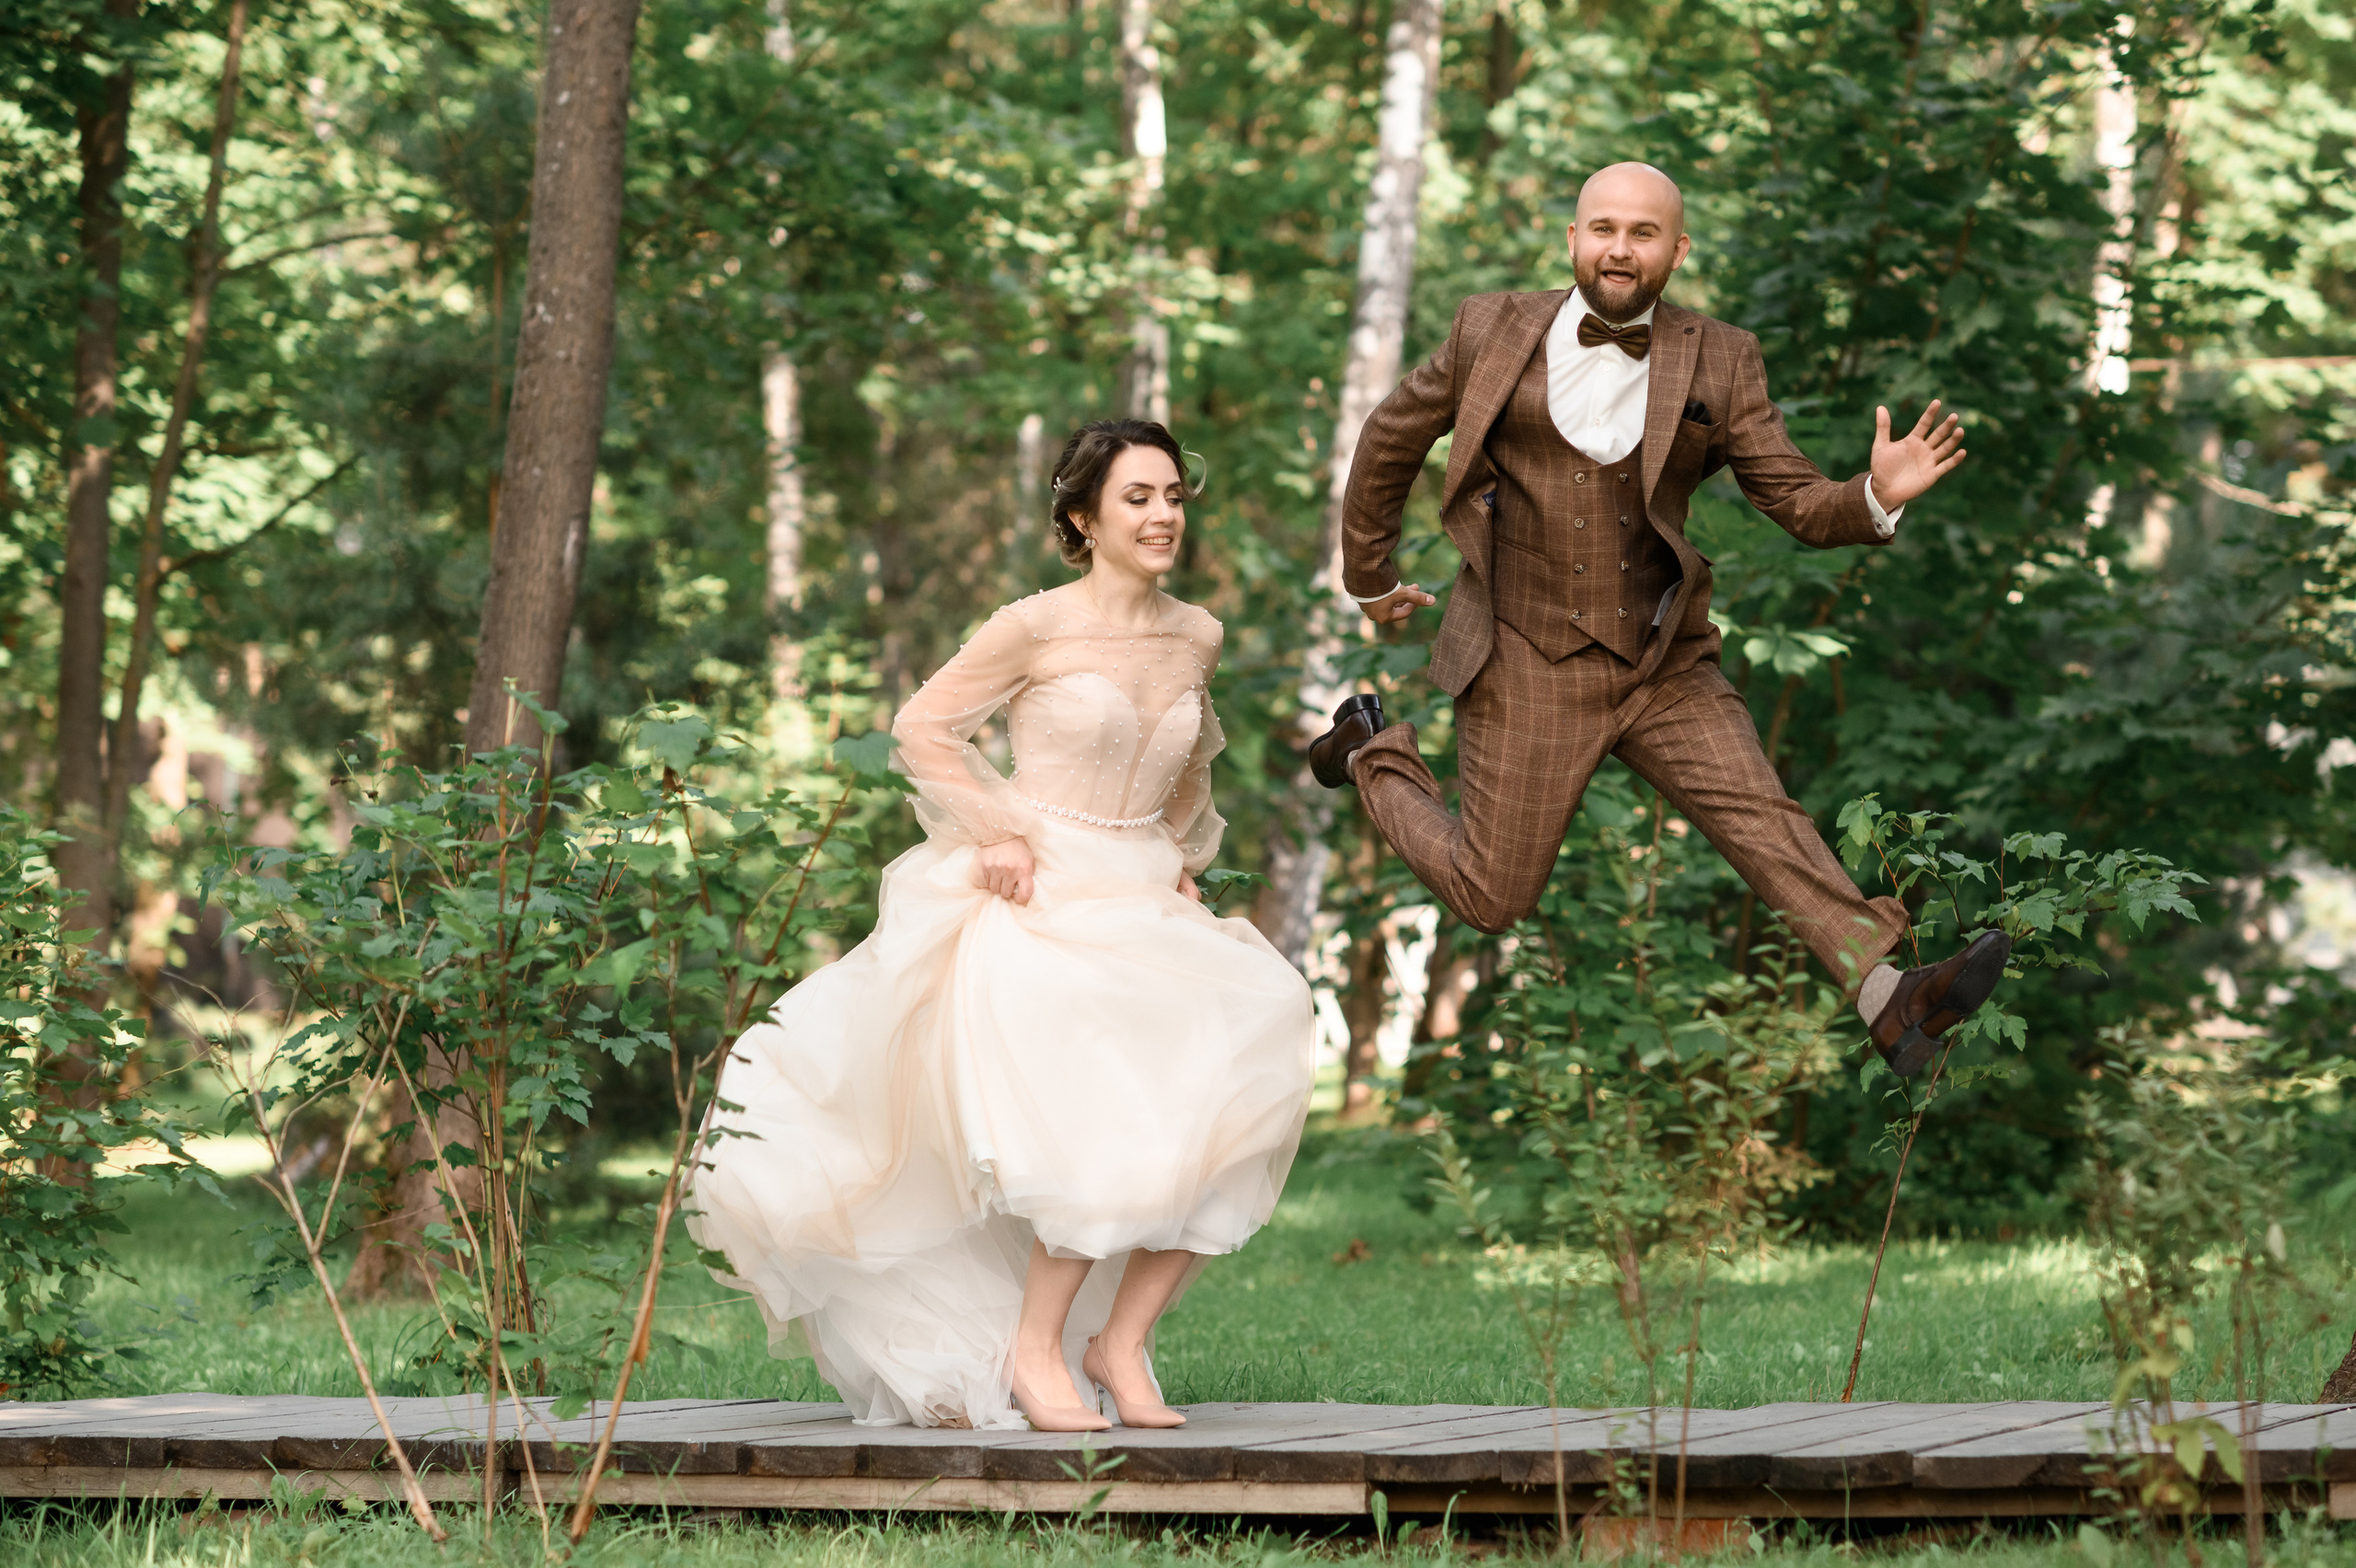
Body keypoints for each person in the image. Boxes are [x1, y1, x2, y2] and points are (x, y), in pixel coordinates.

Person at [1306, 162, 2007, 1076]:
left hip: (1659, 659)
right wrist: (1368, 578)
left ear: (1676, 249)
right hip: (1524, 656)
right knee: (1489, 896)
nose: (1619, 248)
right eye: (1602, 228)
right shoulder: (1488, 326)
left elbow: (1792, 497)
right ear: (1572, 239)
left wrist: (1871, 494)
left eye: (1643, 233)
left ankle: (1890, 996)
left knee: (1763, 819)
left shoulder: (1720, 355)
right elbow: (1390, 437)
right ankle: (1369, 750)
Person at [690, 419, 1315, 1432]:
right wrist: (995, 831)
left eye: (1172, 496)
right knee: (1096, 1119)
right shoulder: (1032, 625)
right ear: (1083, 518)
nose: (1163, 516)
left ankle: (1120, 1341)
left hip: (1145, 889)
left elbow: (1191, 767)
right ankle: (1034, 1352)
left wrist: (1187, 863)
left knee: (1259, 1047)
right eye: (1137, 499)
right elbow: (924, 729)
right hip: (1044, 892)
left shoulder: (1195, 633)